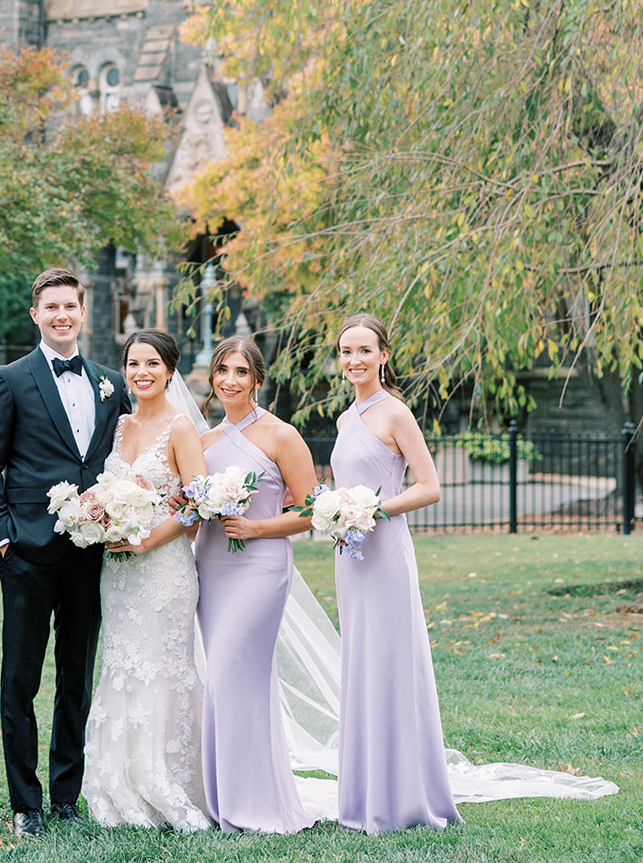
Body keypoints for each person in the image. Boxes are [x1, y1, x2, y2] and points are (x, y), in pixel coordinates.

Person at [0, 267, 130, 838]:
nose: (62, 315)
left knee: (76, 680)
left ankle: (66, 795)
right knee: (21, 679)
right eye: (51, 307)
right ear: (35, 315)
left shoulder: (111, 382)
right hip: (28, 554)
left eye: (70, 306)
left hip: (92, 554)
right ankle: (25, 802)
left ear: (82, 312)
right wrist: (0, 540)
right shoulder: (8, 380)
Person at [330, 312, 460, 835]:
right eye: (346, 351)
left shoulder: (396, 413)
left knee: (390, 663)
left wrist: (374, 509)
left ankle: (403, 794)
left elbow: (429, 486)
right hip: (350, 556)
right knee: (361, 662)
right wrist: (338, 512)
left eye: (365, 350)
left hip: (385, 553)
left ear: (383, 356)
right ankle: (364, 793)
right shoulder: (344, 420)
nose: (355, 360)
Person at [81, 330, 212, 831]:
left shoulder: (181, 428)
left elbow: (198, 505)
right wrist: (96, 515)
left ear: (170, 371)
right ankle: (119, 779)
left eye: (153, 363)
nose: (142, 372)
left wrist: (146, 541)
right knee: (122, 663)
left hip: (164, 571)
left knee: (161, 668)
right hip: (118, 574)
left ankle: (169, 779)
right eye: (134, 363)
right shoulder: (119, 425)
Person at [195, 334, 319, 834]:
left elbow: (311, 510)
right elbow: (189, 512)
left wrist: (257, 527)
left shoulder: (281, 435)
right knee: (228, 682)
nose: (230, 380)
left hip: (261, 567)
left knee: (231, 671)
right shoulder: (203, 442)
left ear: (257, 379)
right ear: (212, 378)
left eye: (241, 372)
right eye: (222, 371)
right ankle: (229, 795)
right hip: (212, 568)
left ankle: (251, 804)